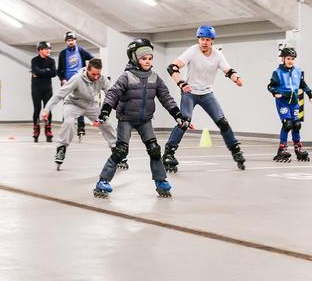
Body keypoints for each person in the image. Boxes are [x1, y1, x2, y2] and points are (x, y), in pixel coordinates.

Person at [93, 38, 188, 198]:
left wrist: (177, 115)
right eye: (144, 58)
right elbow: (113, 94)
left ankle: (161, 181)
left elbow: (166, 97)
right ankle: (102, 181)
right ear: (135, 58)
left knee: (154, 150)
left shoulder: (154, 77)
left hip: (145, 120)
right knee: (120, 151)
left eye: (150, 58)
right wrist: (105, 112)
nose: (148, 61)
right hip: (126, 119)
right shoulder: (126, 76)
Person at [163, 25, 246, 173]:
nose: (204, 42)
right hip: (190, 93)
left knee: (223, 122)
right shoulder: (192, 51)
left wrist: (236, 78)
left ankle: (236, 150)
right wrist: (182, 83)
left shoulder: (217, 55)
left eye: (207, 40)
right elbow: (172, 67)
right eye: (201, 39)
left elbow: (228, 70)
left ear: (212, 41)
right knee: (184, 122)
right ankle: (169, 153)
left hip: (207, 94)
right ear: (198, 39)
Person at [41, 58, 120, 170]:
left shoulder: (101, 79)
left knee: (105, 122)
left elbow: (111, 95)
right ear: (87, 70)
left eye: (98, 74)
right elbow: (60, 94)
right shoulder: (77, 79)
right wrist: (47, 109)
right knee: (69, 122)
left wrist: (120, 107)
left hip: (91, 105)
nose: (96, 77)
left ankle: (115, 148)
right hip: (73, 104)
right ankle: (61, 149)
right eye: (93, 74)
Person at [267, 47, 312, 163]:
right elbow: (270, 86)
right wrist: (275, 93)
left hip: (294, 102)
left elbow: (304, 85)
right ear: (283, 59)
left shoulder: (297, 71)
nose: (291, 61)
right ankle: (282, 149)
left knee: (296, 125)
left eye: (293, 59)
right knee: (287, 124)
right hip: (283, 101)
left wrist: (311, 96)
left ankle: (298, 149)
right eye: (288, 58)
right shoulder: (278, 73)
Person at [57, 31, 93, 140]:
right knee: (67, 104)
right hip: (67, 82)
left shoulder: (81, 50)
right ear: (66, 41)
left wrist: (87, 71)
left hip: (80, 81)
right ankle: (66, 126)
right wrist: (62, 79)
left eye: (72, 40)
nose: (70, 42)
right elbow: (59, 70)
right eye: (68, 40)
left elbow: (92, 59)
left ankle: (81, 127)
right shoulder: (63, 53)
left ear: (75, 40)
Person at [31, 41, 57, 142]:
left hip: (47, 89)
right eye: (46, 49)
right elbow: (35, 70)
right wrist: (47, 71)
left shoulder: (51, 61)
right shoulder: (35, 60)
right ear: (40, 50)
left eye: (49, 49)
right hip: (36, 88)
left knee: (48, 109)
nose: (48, 50)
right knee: (37, 109)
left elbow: (54, 73)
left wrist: (42, 72)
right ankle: (36, 128)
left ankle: (48, 129)